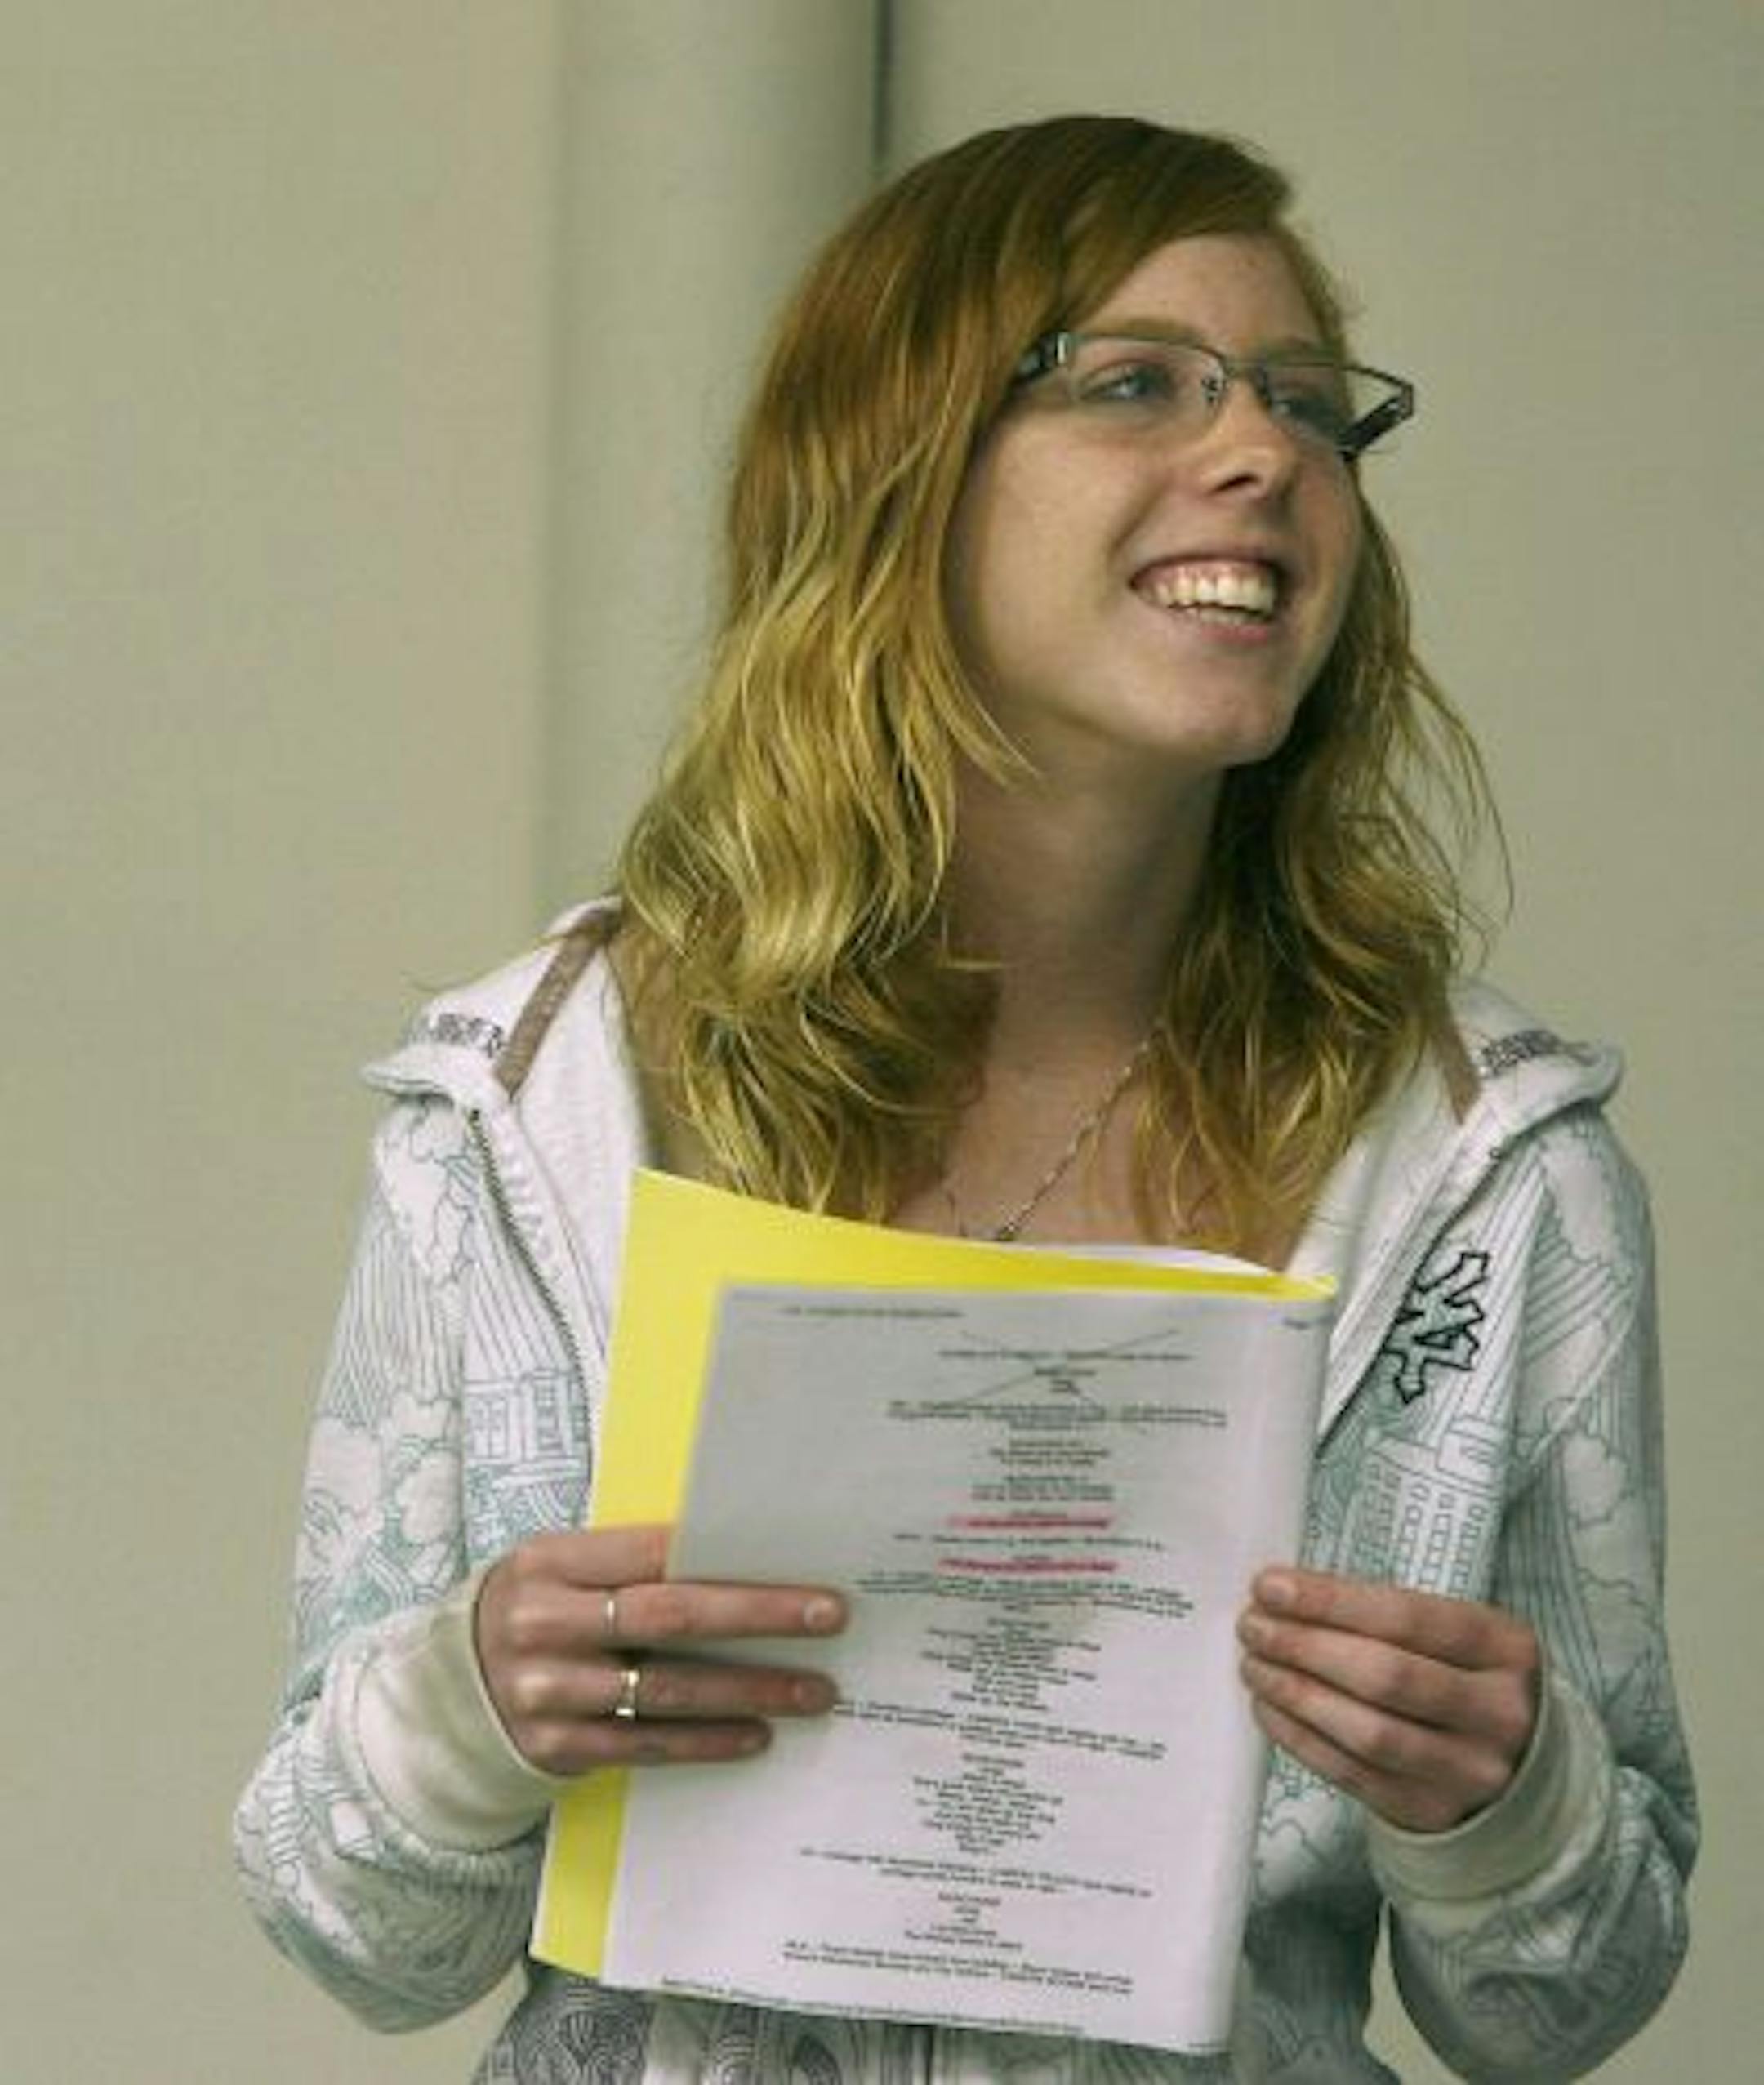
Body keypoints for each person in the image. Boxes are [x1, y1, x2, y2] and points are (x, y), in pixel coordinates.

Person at [234, 115, 1696, 2083]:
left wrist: (1508, 1797)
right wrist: (469, 1705)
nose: (1264, 451)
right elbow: (368, 1939)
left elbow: (1558, 2010)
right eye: (1136, 382)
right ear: (897, 467)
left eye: (1311, 403)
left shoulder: (1496, 1174)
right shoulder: (536, 1109)